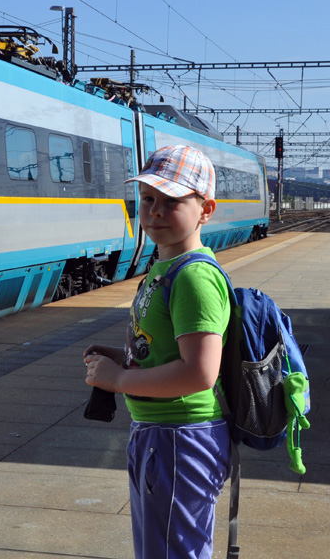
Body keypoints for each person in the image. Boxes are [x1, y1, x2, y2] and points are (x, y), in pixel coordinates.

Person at [84, 144, 231, 559]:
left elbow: (199, 373)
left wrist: (120, 380)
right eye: (148, 198)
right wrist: (120, 357)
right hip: (159, 435)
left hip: (180, 439)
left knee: (173, 553)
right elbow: (167, 351)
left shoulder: (193, 278)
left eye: (172, 201)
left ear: (206, 210)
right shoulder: (163, 269)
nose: (155, 211)